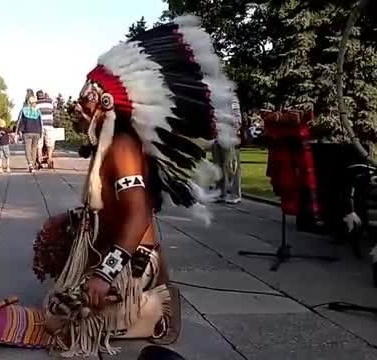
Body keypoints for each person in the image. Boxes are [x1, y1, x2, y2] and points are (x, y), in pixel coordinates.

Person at [30, 15, 237, 356]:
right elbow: (108, 206)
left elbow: (139, 214)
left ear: (106, 105)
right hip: (117, 253)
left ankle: (155, 308)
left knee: (59, 323)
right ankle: (134, 304)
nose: (78, 110)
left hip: (133, 261)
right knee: (55, 303)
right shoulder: (107, 145)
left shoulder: (123, 147)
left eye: (85, 102)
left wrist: (105, 274)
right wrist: (70, 225)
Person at [212, 95, 243, 204]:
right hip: (217, 136)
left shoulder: (232, 98)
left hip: (229, 135)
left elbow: (237, 119)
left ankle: (235, 194)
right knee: (218, 165)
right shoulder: (215, 99)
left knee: (232, 166)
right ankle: (221, 193)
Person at [17, 96, 42, 173]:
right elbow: (41, 123)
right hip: (37, 132)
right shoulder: (38, 111)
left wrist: (18, 131)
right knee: (34, 149)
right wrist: (41, 133)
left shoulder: (24, 110)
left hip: (27, 131)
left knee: (28, 149)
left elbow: (19, 121)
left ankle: (30, 165)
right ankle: (33, 164)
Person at [35, 90, 56, 169]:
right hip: (49, 125)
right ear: (43, 95)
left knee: (39, 144)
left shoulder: (36, 104)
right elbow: (53, 111)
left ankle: (39, 160)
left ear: (37, 96)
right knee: (50, 144)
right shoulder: (50, 102)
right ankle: (49, 159)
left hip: (39, 126)